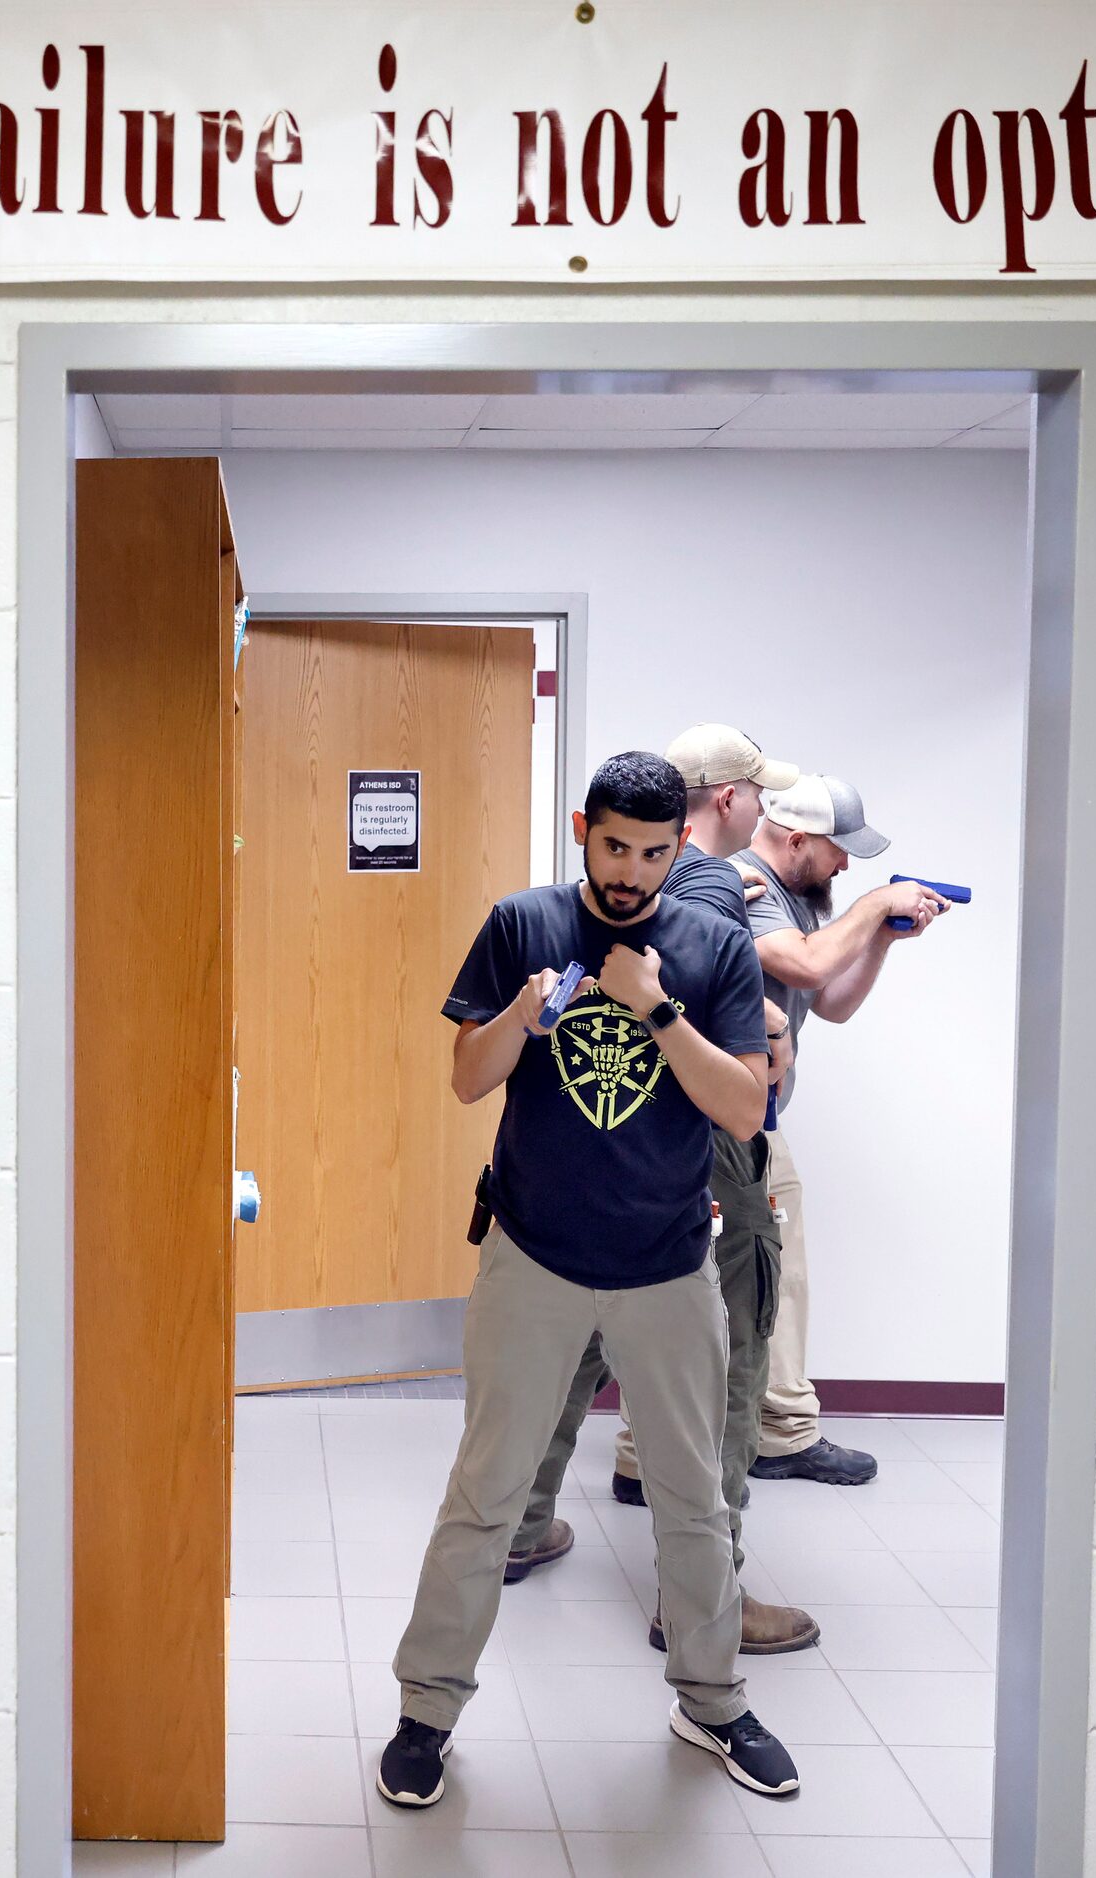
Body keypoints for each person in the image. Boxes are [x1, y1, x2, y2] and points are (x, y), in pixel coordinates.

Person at [379, 752, 801, 1811]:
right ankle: (426, 1712)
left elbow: (744, 1111)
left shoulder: (710, 946)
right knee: (486, 1496)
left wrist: (657, 1012)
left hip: (665, 1267)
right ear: (582, 828)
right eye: (614, 847)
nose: (630, 872)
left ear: (678, 847)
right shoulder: (523, 924)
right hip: (533, 1257)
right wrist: (520, 1017)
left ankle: (712, 1704)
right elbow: (466, 1078)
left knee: (693, 1504)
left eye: (654, 854)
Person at [505, 724, 826, 1659]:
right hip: (710, 1153)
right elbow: (755, 1019)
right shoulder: (709, 885)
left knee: (585, 1334)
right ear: (725, 800)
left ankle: (526, 1523)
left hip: (627, 1168)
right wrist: (765, 1029)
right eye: (758, 794)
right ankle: (703, 1594)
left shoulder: (656, 885)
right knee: (730, 1359)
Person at [733, 775, 950, 1487]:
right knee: (699, 1285)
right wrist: (875, 904)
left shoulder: (797, 894)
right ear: (796, 838)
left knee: (776, 1278)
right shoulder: (746, 886)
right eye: (838, 852)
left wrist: (882, 938)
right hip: (718, 1120)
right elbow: (803, 961)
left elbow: (828, 1002)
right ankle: (721, 1444)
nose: (846, 868)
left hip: (756, 1119)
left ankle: (780, 1430)